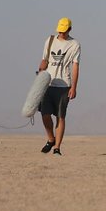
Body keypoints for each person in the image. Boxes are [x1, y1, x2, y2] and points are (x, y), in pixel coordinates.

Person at [38, 18, 81, 156]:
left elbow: (75, 66)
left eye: (64, 31)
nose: (61, 33)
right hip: (48, 83)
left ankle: (57, 147)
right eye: (60, 31)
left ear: (69, 29)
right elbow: (45, 59)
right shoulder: (50, 40)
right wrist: (40, 71)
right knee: (45, 114)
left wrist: (73, 87)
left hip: (64, 86)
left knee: (60, 117)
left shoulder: (74, 44)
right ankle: (51, 139)